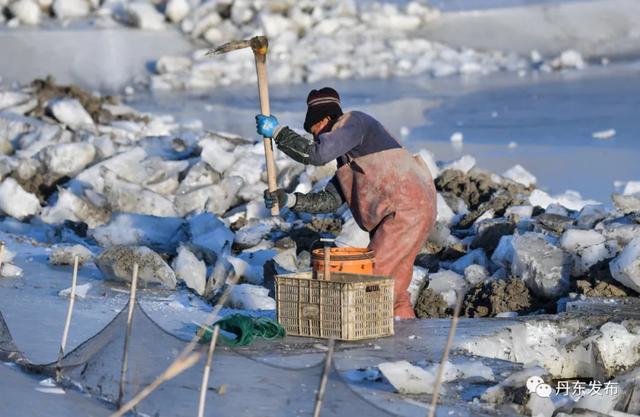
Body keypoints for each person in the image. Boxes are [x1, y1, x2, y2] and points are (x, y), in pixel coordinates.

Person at [255, 87, 437, 319]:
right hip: (414, 209)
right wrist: (289, 200)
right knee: (394, 285)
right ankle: (405, 332)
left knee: (373, 277)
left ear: (327, 119)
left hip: (404, 209)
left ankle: (371, 333)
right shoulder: (353, 157)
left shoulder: (354, 122)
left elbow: (317, 155)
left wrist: (278, 133)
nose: (316, 138)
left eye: (315, 131)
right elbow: (330, 199)